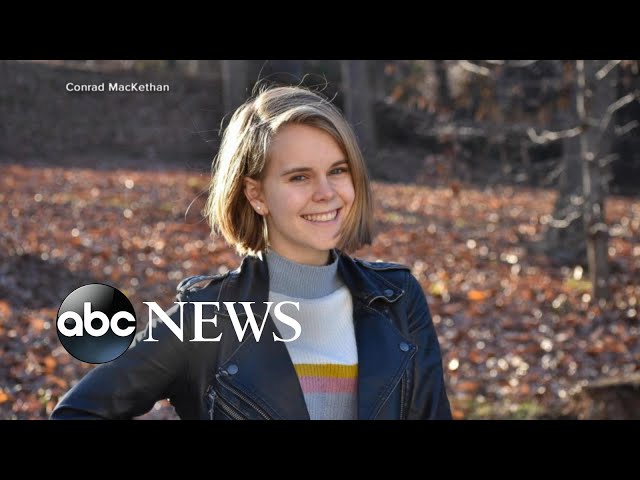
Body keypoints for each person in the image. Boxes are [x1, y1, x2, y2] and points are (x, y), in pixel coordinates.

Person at [50, 85, 451, 420]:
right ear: (257, 194)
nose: (326, 193)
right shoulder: (206, 318)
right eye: (299, 177)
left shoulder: (398, 300)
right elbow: (78, 412)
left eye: (338, 170)